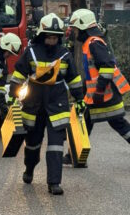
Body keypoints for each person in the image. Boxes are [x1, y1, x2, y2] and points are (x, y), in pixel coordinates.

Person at [67, 9, 130, 167]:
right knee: (93, 122)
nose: (74, 33)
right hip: (99, 94)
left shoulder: (94, 43)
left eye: (75, 29)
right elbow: (92, 73)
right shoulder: (91, 43)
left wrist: (99, 91)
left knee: (114, 123)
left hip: (104, 94)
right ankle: (74, 155)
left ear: (82, 27)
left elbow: (107, 67)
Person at [10, 13, 84, 196]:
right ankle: (29, 169)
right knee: (32, 145)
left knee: (56, 146)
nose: (51, 40)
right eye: (48, 36)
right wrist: (13, 95)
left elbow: (74, 79)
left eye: (54, 37)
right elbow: (19, 74)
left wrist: (80, 99)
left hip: (57, 105)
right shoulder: (31, 52)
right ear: (42, 35)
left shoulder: (65, 54)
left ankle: (54, 183)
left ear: (59, 37)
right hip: (33, 106)